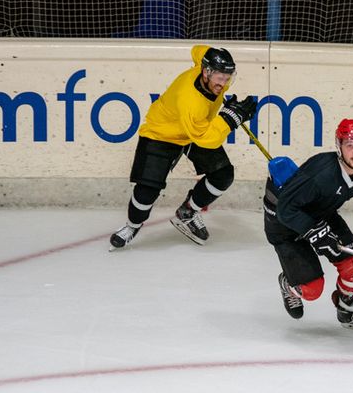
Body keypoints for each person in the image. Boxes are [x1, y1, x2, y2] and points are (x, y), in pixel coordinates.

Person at [110, 45, 257, 248]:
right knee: (147, 190)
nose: (223, 84)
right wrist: (230, 119)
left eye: (227, 78)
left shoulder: (204, 67)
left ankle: (187, 211)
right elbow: (205, 139)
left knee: (223, 174)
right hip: (162, 132)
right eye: (219, 78)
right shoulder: (191, 101)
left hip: (194, 130)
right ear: (206, 72)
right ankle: (132, 226)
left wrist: (212, 54)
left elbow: (197, 50)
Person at [262, 118, 353, 332]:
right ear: (339, 146)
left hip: (319, 214)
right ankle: (288, 284)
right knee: (312, 289)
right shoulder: (321, 173)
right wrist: (314, 231)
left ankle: (348, 313)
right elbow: (285, 209)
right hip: (282, 224)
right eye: (349, 145)